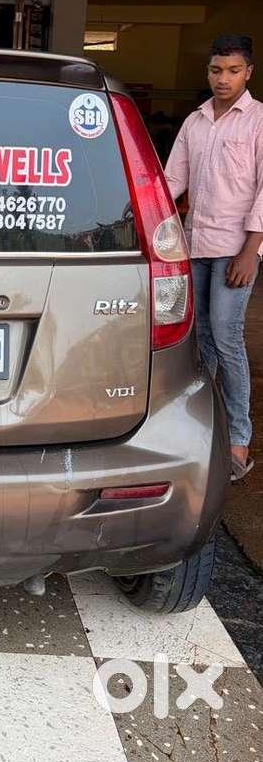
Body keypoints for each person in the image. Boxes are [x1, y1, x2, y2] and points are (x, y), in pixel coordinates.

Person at [165, 33, 261, 482]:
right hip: (195, 247)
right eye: (216, 70)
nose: (223, 79)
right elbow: (172, 181)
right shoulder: (195, 121)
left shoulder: (259, 122)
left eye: (233, 70)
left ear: (249, 73)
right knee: (200, 344)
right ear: (207, 71)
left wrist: (251, 250)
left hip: (234, 251)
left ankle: (239, 437)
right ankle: (206, 432)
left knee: (226, 339)